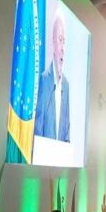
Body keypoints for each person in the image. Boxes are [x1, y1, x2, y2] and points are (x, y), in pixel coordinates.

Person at [35, 13, 70, 141]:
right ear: (53, 42)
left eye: (64, 41)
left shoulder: (66, 85)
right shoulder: (44, 80)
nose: (63, 48)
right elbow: (38, 127)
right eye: (60, 40)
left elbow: (66, 129)